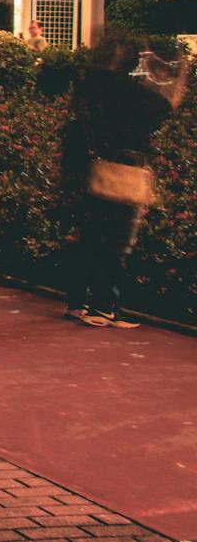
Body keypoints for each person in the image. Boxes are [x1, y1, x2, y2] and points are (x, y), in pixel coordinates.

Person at [60, 35, 185, 328]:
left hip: (96, 166)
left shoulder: (90, 86)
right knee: (116, 241)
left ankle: (78, 302)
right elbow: (166, 106)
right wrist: (174, 74)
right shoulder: (130, 92)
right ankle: (104, 306)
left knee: (91, 235)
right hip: (125, 171)